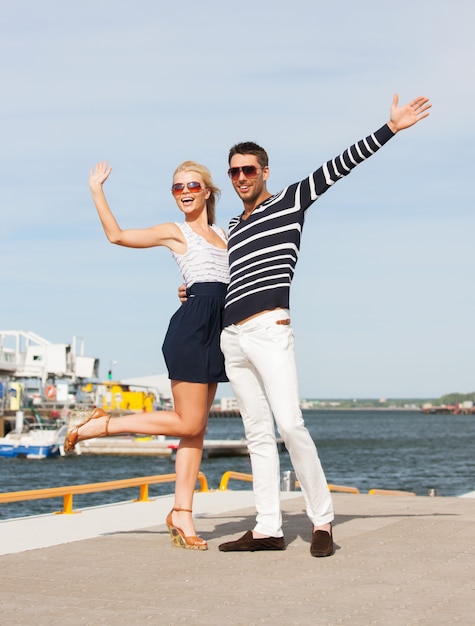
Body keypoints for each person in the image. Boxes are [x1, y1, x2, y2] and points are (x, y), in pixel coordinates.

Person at [181, 93, 431, 556]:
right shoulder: (233, 227)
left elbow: (338, 166)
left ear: (265, 172)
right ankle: (268, 528)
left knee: (290, 426)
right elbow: (226, 273)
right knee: (256, 433)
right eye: (233, 171)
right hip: (232, 338)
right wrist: (193, 292)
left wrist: (390, 128)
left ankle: (322, 522)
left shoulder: (291, 201)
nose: (240, 178)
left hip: (270, 331)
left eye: (248, 170)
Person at [65, 160, 229, 550]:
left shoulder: (225, 233)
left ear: (208, 191)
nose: (184, 191)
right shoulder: (175, 232)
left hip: (218, 332)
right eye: (176, 188)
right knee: (188, 423)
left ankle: (182, 514)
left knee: (196, 430)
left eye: (191, 184)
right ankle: (101, 426)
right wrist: (96, 191)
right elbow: (118, 236)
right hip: (191, 331)